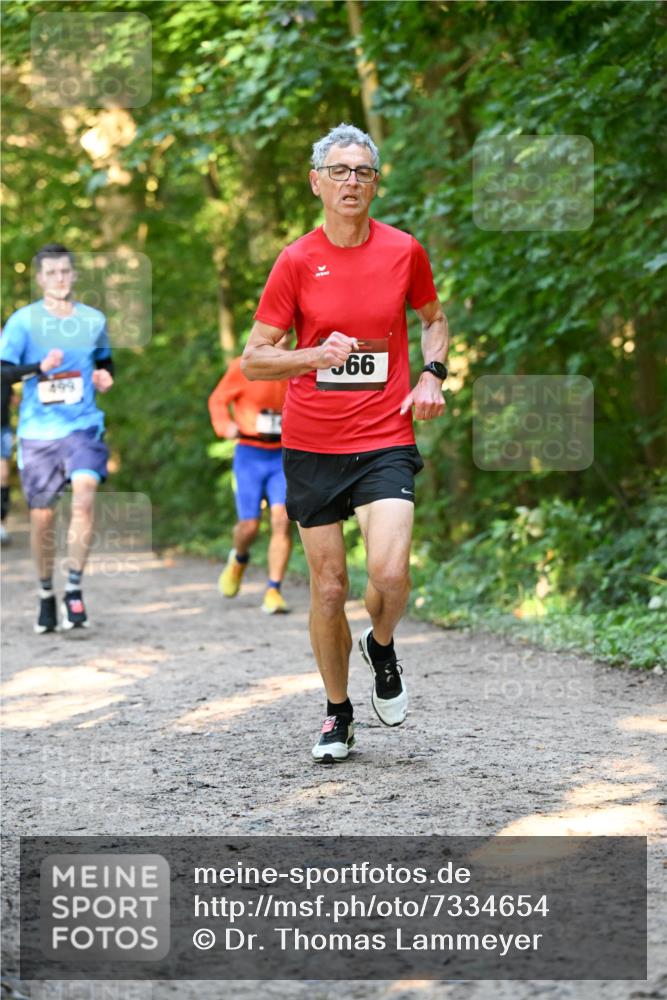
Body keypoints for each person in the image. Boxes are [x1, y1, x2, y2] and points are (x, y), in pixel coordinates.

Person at [241, 123, 449, 763]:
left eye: (362, 171)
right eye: (339, 171)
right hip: (312, 445)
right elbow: (254, 360)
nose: (351, 181)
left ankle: (381, 645)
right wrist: (313, 354)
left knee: (389, 572)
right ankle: (337, 713)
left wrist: (432, 374)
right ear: (317, 183)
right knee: (328, 588)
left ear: (376, 183)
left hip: (386, 435)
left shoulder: (403, 251)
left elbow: (434, 321)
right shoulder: (296, 261)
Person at [0, 243, 114, 633]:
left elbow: (104, 360)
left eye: (65, 272)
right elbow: (3, 372)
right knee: (42, 517)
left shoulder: (93, 319)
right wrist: (38, 367)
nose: (60, 279)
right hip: (38, 433)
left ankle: (74, 590)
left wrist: (104, 376)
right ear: (40, 279)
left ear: (74, 275)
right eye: (51, 273)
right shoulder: (22, 322)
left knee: (84, 499)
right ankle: (46, 592)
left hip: (83, 426)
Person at [208, 348, 292, 614]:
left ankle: (273, 590)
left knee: (282, 519)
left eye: (287, 335)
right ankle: (239, 559)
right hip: (249, 454)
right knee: (249, 526)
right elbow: (217, 400)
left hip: (282, 455)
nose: (282, 341)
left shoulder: (297, 365)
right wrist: (225, 426)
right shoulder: (243, 366)